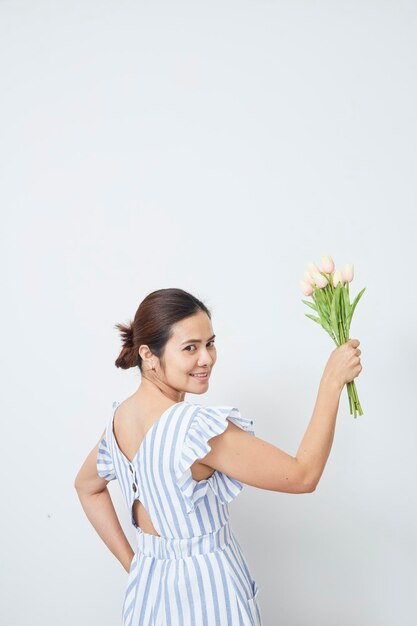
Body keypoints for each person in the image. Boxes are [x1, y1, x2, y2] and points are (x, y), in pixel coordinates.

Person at [74, 287, 362, 626]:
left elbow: (86, 486)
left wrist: (135, 564)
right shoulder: (192, 428)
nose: (206, 358)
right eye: (190, 348)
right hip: (211, 598)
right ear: (148, 355)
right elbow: (302, 475)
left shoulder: (119, 419)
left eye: (210, 343)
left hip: (148, 599)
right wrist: (331, 382)